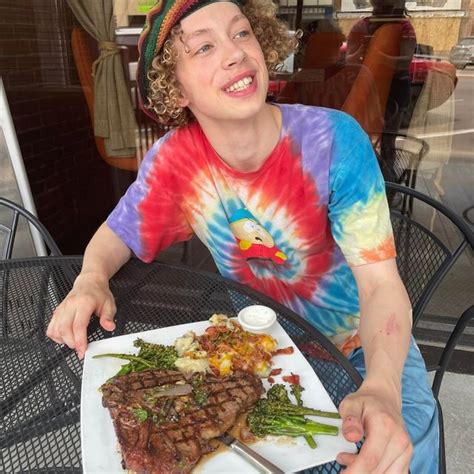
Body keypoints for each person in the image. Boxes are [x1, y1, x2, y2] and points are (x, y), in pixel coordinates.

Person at [47, 0, 438, 472]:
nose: (235, 53)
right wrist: (91, 278)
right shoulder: (176, 162)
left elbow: (380, 286)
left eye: (241, 33)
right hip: (260, 351)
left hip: (360, 348)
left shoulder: (333, 140)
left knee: (403, 444)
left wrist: (382, 388)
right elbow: (117, 233)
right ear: (177, 88)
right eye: (204, 47)